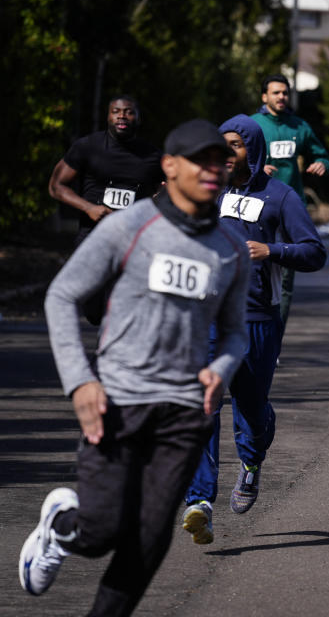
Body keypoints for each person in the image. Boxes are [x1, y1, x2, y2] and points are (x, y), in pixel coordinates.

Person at [20, 119, 249, 614]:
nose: (214, 169)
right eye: (201, 160)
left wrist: (223, 367)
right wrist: (80, 381)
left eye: (220, 161)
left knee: (147, 542)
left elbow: (235, 331)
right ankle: (61, 527)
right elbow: (62, 295)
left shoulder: (230, 249)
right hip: (120, 401)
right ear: (169, 166)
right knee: (102, 530)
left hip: (186, 412)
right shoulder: (131, 226)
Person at [180, 115, 326, 544]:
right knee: (203, 406)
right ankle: (200, 502)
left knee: (250, 412)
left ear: (252, 149)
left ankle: (252, 459)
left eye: (235, 145)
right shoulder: (208, 191)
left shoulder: (280, 197)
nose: (225, 154)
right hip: (208, 317)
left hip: (258, 318)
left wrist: (272, 250)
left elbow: (313, 252)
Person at [48, 94, 164, 324]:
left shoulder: (151, 155)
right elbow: (56, 186)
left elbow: (169, 189)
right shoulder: (87, 147)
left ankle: (113, 352)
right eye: (116, 111)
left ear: (138, 118)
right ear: (108, 116)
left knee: (125, 304)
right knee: (94, 310)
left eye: (129, 112)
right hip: (94, 236)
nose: (122, 116)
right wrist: (89, 207)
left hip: (134, 241)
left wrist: (156, 201)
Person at [250, 74, 329, 335]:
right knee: (254, 272)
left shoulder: (299, 126)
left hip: (289, 207)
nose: (281, 97)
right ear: (264, 97)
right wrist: (257, 167)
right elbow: (232, 160)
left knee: (285, 280)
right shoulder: (252, 125)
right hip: (256, 207)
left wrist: (322, 164)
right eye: (276, 93)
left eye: (285, 93)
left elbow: (323, 156)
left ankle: (275, 340)